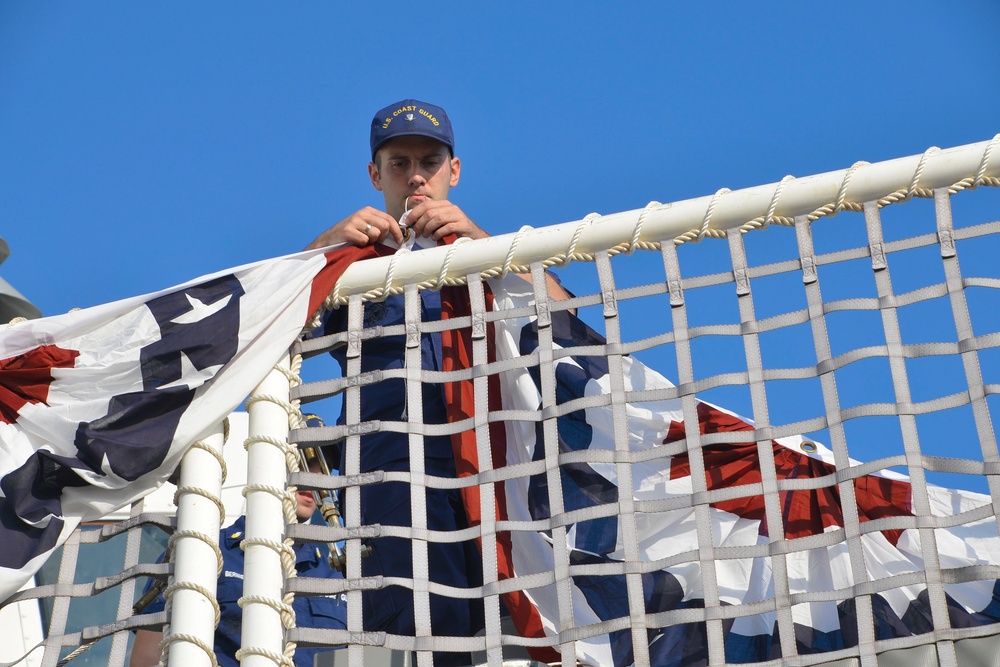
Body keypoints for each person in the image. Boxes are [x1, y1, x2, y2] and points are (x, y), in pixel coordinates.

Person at [306, 99, 570, 666]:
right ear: (375, 176)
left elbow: (571, 332)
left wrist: (482, 244)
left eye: (429, 160)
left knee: (527, 625)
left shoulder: (487, 251)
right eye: (398, 163)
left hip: (505, 469)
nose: (416, 176)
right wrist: (324, 249)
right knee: (418, 637)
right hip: (396, 477)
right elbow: (272, 322)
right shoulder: (352, 267)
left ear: (455, 171)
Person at [129, 453, 347, 667]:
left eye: (324, 467)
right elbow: (147, 659)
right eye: (302, 464)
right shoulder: (201, 551)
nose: (315, 476)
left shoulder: (337, 576)